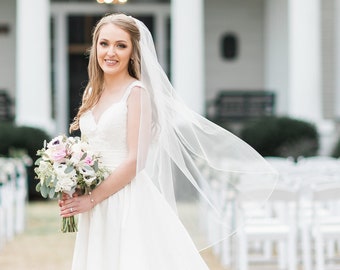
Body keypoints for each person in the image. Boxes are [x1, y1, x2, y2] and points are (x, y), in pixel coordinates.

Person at [59, 13, 277, 270]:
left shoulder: (137, 93)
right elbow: (88, 152)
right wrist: (72, 183)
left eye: (121, 45)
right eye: (104, 43)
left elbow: (135, 161)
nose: (110, 52)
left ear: (133, 52)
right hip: (95, 205)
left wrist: (93, 198)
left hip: (125, 199)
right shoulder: (91, 92)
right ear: (94, 46)